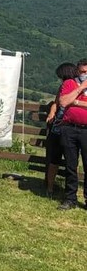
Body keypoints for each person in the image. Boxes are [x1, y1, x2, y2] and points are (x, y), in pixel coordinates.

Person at [57, 59, 87, 210]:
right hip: (69, 128)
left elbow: (70, 102)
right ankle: (70, 198)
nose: (84, 75)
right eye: (82, 72)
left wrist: (75, 102)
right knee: (70, 165)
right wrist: (80, 88)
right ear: (77, 71)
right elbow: (63, 101)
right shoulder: (70, 83)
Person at [44, 63, 76, 198]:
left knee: (55, 159)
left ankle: (50, 188)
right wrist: (52, 110)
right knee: (68, 161)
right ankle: (57, 189)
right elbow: (56, 102)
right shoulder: (69, 86)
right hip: (61, 127)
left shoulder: (71, 86)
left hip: (61, 127)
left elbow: (60, 102)